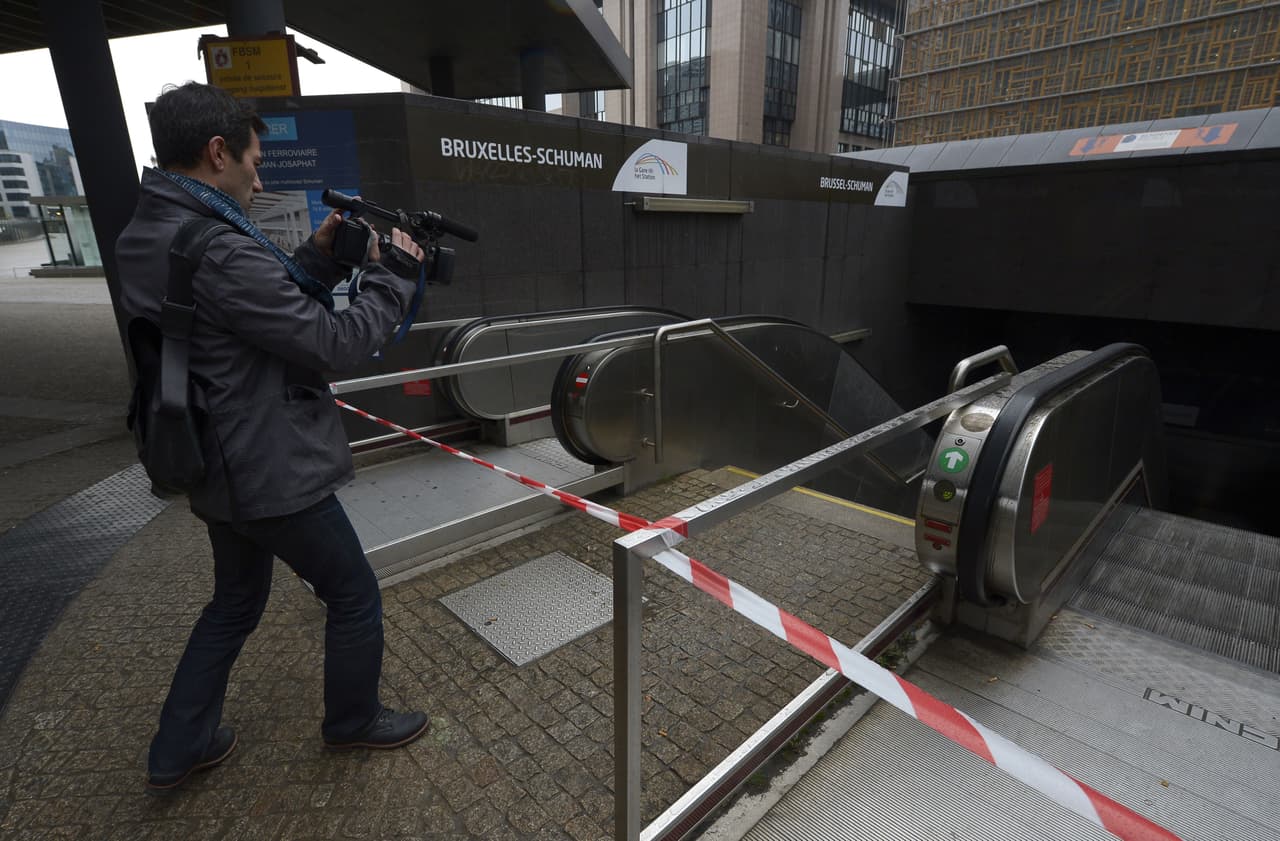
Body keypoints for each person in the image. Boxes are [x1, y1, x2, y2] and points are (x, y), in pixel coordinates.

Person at [115, 81, 430, 795]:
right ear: (216, 151)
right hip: (268, 463)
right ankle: (352, 720)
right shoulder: (218, 245)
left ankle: (178, 747)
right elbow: (330, 342)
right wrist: (394, 280)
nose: (259, 178)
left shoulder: (149, 230)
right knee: (352, 592)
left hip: (212, 458)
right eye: (253, 162)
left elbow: (236, 324)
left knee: (234, 603)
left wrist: (317, 260)